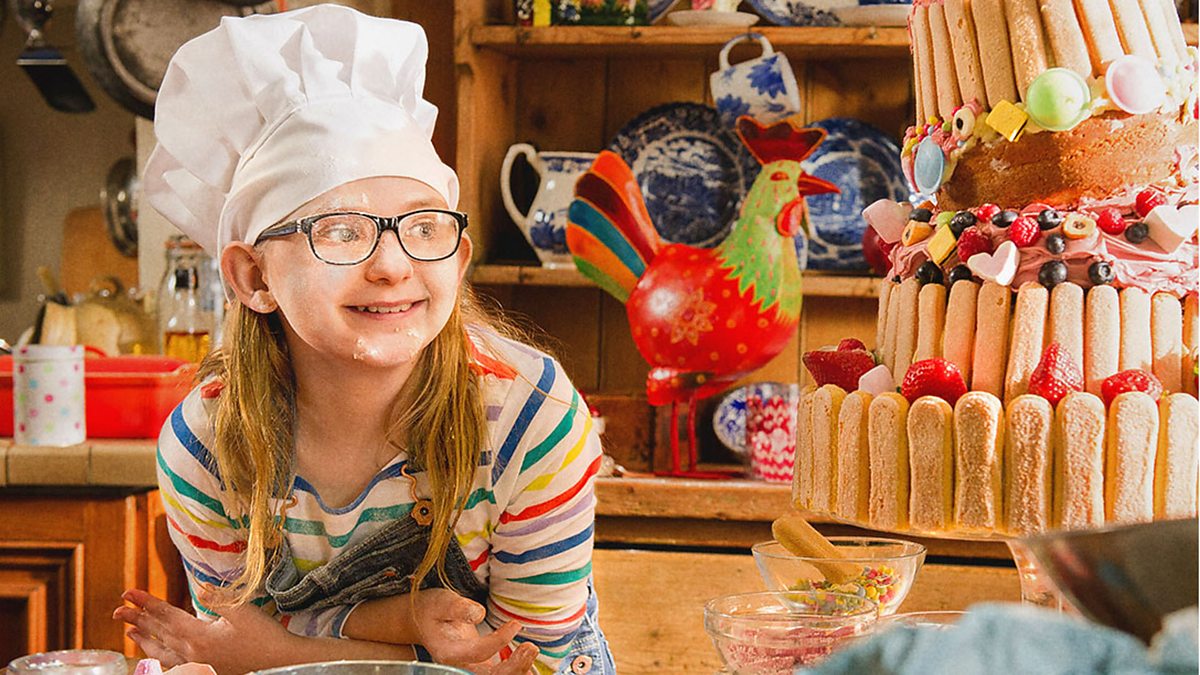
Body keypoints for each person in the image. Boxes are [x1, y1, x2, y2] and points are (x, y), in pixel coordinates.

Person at [111, 6, 614, 675]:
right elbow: (234, 647)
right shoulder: (207, 444)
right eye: (342, 230)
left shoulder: (528, 415)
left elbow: (528, 664)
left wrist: (282, 651)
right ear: (253, 276)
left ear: (458, 258)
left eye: (424, 227)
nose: (393, 265)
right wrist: (399, 627)